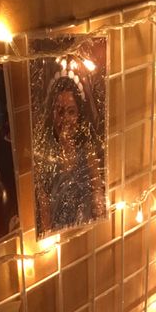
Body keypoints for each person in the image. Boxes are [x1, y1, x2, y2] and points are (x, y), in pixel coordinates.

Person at [34, 71, 106, 237]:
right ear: (52, 115)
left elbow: (97, 194)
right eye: (59, 111)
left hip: (88, 234)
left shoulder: (87, 152)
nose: (65, 118)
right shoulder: (44, 159)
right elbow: (44, 211)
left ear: (79, 115)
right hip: (59, 240)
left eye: (71, 111)